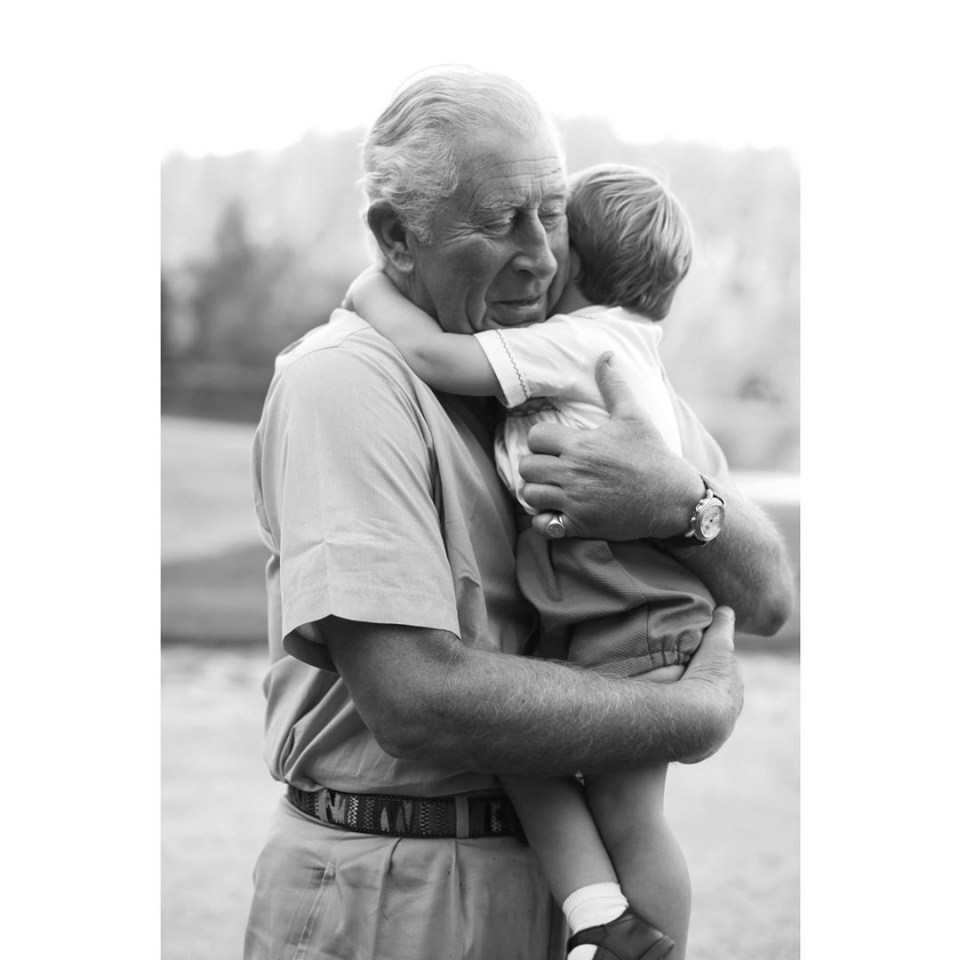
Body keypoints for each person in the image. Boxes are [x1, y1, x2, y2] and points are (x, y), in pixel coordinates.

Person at [244, 66, 793, 960]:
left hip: (558, 878)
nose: (541, 255)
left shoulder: (576, 367)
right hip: (393, 885)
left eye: (553, 215)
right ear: (397, 236)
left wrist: (681, 501)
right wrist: (689, 715)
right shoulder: (344, 382)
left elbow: (768, 597)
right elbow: (419, 701)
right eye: (503, 221)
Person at [347, 163, 720, 959]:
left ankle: (657, 945)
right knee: (519, 757)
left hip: (634, 612)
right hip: (602, 609)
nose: (533, 253)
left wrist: (371, 289)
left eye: (549, 230)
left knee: (629, 809)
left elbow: (439, 358)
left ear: (572, 261)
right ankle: (601, 920)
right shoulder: (627, 345)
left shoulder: (581, 342)